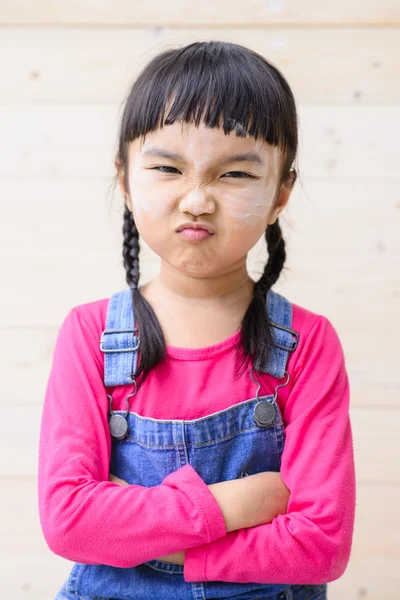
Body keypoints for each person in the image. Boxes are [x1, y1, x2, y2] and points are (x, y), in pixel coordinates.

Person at [38, 40, 356, 600]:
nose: (197, 200)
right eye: (167, 167)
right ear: (125, 180)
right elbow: (69, 520)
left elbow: (321, 545)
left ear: (281, 191)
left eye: (234, 174)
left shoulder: (308, 344)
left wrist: (136, 530)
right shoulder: (90, 336)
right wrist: (241, 505)